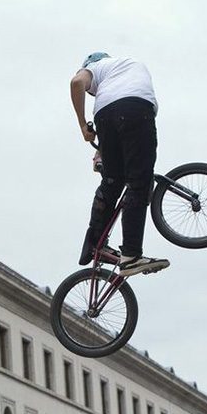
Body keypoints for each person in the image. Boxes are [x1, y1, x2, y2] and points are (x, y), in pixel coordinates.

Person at [70, 52, 170, 278]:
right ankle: (129, 255)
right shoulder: (125, 67)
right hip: (136, 109)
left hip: (106, 116)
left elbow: (78, 82)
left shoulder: (96, 68)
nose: (91, 92)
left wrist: (83, 127)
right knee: (139, 182)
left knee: (113, 182)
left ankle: (96, 243)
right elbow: (123, 108)